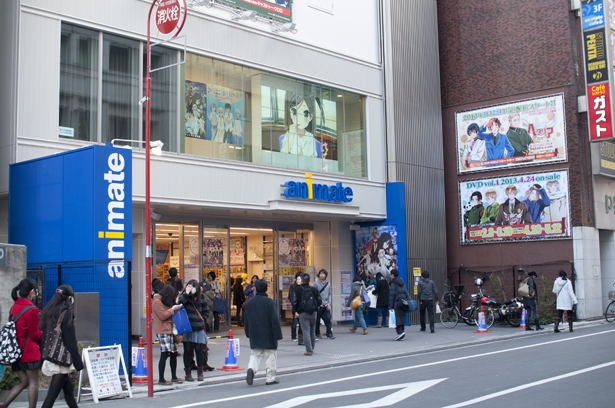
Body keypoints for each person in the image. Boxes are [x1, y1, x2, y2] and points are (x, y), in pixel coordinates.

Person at [39, 285, 83, 408]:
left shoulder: (48, 311)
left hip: (52, 355)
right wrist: (78, 362)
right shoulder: (66, 314)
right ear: (69, 298)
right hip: (61, 359)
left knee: (68, 390)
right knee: (52, 395)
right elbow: (70, 341)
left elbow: (45, 337)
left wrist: (42, 358)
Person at [2, 279, 42, 408]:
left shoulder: (14, 306)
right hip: (28, 352)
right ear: (31, 291)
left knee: (23, 381)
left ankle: (4, 405)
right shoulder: (32, 309)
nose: (36, 293)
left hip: (15, 351)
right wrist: (47, 335)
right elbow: (34, 334)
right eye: (36, 290)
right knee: (33, 382)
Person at [244, 279, 283, 386]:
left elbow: (246, 320)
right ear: (266, 289)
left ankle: (251, 369)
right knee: (271, 355)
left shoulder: (249, 303)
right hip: (268, 333)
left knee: (255, 355)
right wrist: (278, 335)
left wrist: (248, 332)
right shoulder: (270, 302)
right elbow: (274, 320)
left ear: (255, 289)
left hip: (255, 333)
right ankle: (270, 378)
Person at [178, 280, 209, 381]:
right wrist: (186, 294)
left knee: (199, 350)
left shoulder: (202, 297)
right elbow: (179, 305)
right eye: (190, 287)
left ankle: (200, 373)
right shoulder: (184, 297)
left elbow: (206, 311)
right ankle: (188, 374)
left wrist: (202, 320)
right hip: (187, 328)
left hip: (198, 327)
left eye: (194, 287)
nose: (193, 289)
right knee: (187, 351)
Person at [152, 284, 183, 385]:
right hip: (162, 331)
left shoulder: (163, 301)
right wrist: (173, 309)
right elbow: (162, 316)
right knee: (164, 354)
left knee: (173, 353)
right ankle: (161, 379)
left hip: (169, 330)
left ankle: (174, 377)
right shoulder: (156, 302)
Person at [280, 93, 324, 157]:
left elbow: (313, 158)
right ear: (290, 115)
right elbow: (282, 154)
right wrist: (291, 137)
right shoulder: (289, 135)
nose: (299, 118)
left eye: (305, 114)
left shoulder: (310, 137)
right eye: (295, 113)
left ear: (310, 117)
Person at [293, 273, 321, 355]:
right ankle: (312, 348)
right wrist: (317, 307)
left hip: (303, 313)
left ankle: (308, 349)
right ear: (309, 280)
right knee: (312, 330)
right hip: (313, 312)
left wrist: (296, 311)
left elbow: (294, 302)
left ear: (301, 280)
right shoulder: (314, 290)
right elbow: (319, 300)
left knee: (305, 331)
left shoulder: (297, 290)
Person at [313, 269, 335, 339]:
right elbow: (313, 294)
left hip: (326, 305)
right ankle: (317, 333)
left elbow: (330, 294)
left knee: (328, 319)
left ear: (326, 275)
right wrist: (317, 304)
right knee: (317, 320)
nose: (322, 275)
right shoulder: (315, 284)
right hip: (319, 305)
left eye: (323, 274)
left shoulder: (328, 284)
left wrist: (329, 303)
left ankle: (329, 333)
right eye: (320, 274)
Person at [389, 269, 410, 341]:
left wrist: (391, 307)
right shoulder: (402, 282)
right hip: (403, 302)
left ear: (393, 275)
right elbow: (405, 292)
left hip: (396, 303)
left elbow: (392, 296)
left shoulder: (393, 283)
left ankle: (400, 333)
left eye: (391, 274)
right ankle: (401, 333)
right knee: (401, 317)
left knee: (397, 318)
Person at [287, 271, 304, 342]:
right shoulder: (293, 286)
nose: (298, 280)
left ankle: (301, 336)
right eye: (298, 279)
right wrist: (294, 306)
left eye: (300, 279)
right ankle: (293, 336)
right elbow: (290, 296)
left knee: (302, 323)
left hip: (302, 308)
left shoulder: (304, 287)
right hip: (296, 307)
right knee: (294, 322)